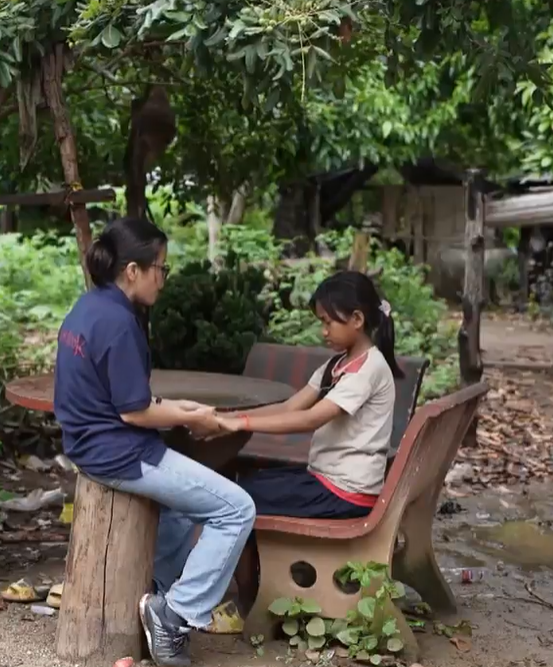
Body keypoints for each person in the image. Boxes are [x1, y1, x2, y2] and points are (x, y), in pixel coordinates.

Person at [52, 217, 256, 667]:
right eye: (160, 268)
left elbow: (129, 397)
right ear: (133, 271)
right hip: (119, 454)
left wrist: (187, 411)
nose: (164, 278)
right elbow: (132, 412)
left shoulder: (89, 308)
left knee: (182, 519)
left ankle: (162, 600)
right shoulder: (122, 323)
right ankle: (174, 614)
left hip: (90, 444)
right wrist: (198, 416)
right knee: (236, 509)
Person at [218, 271, 405, 519]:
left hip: (344, 493)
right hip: (327, 482)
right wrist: (230, 417)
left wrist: (238, 423)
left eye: (328, 322)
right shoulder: (339, 364)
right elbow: (289, 408)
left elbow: (311, 419)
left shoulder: (368, 368)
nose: (323, 331)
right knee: (241, 484)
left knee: (237, 496)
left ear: (357, 319)